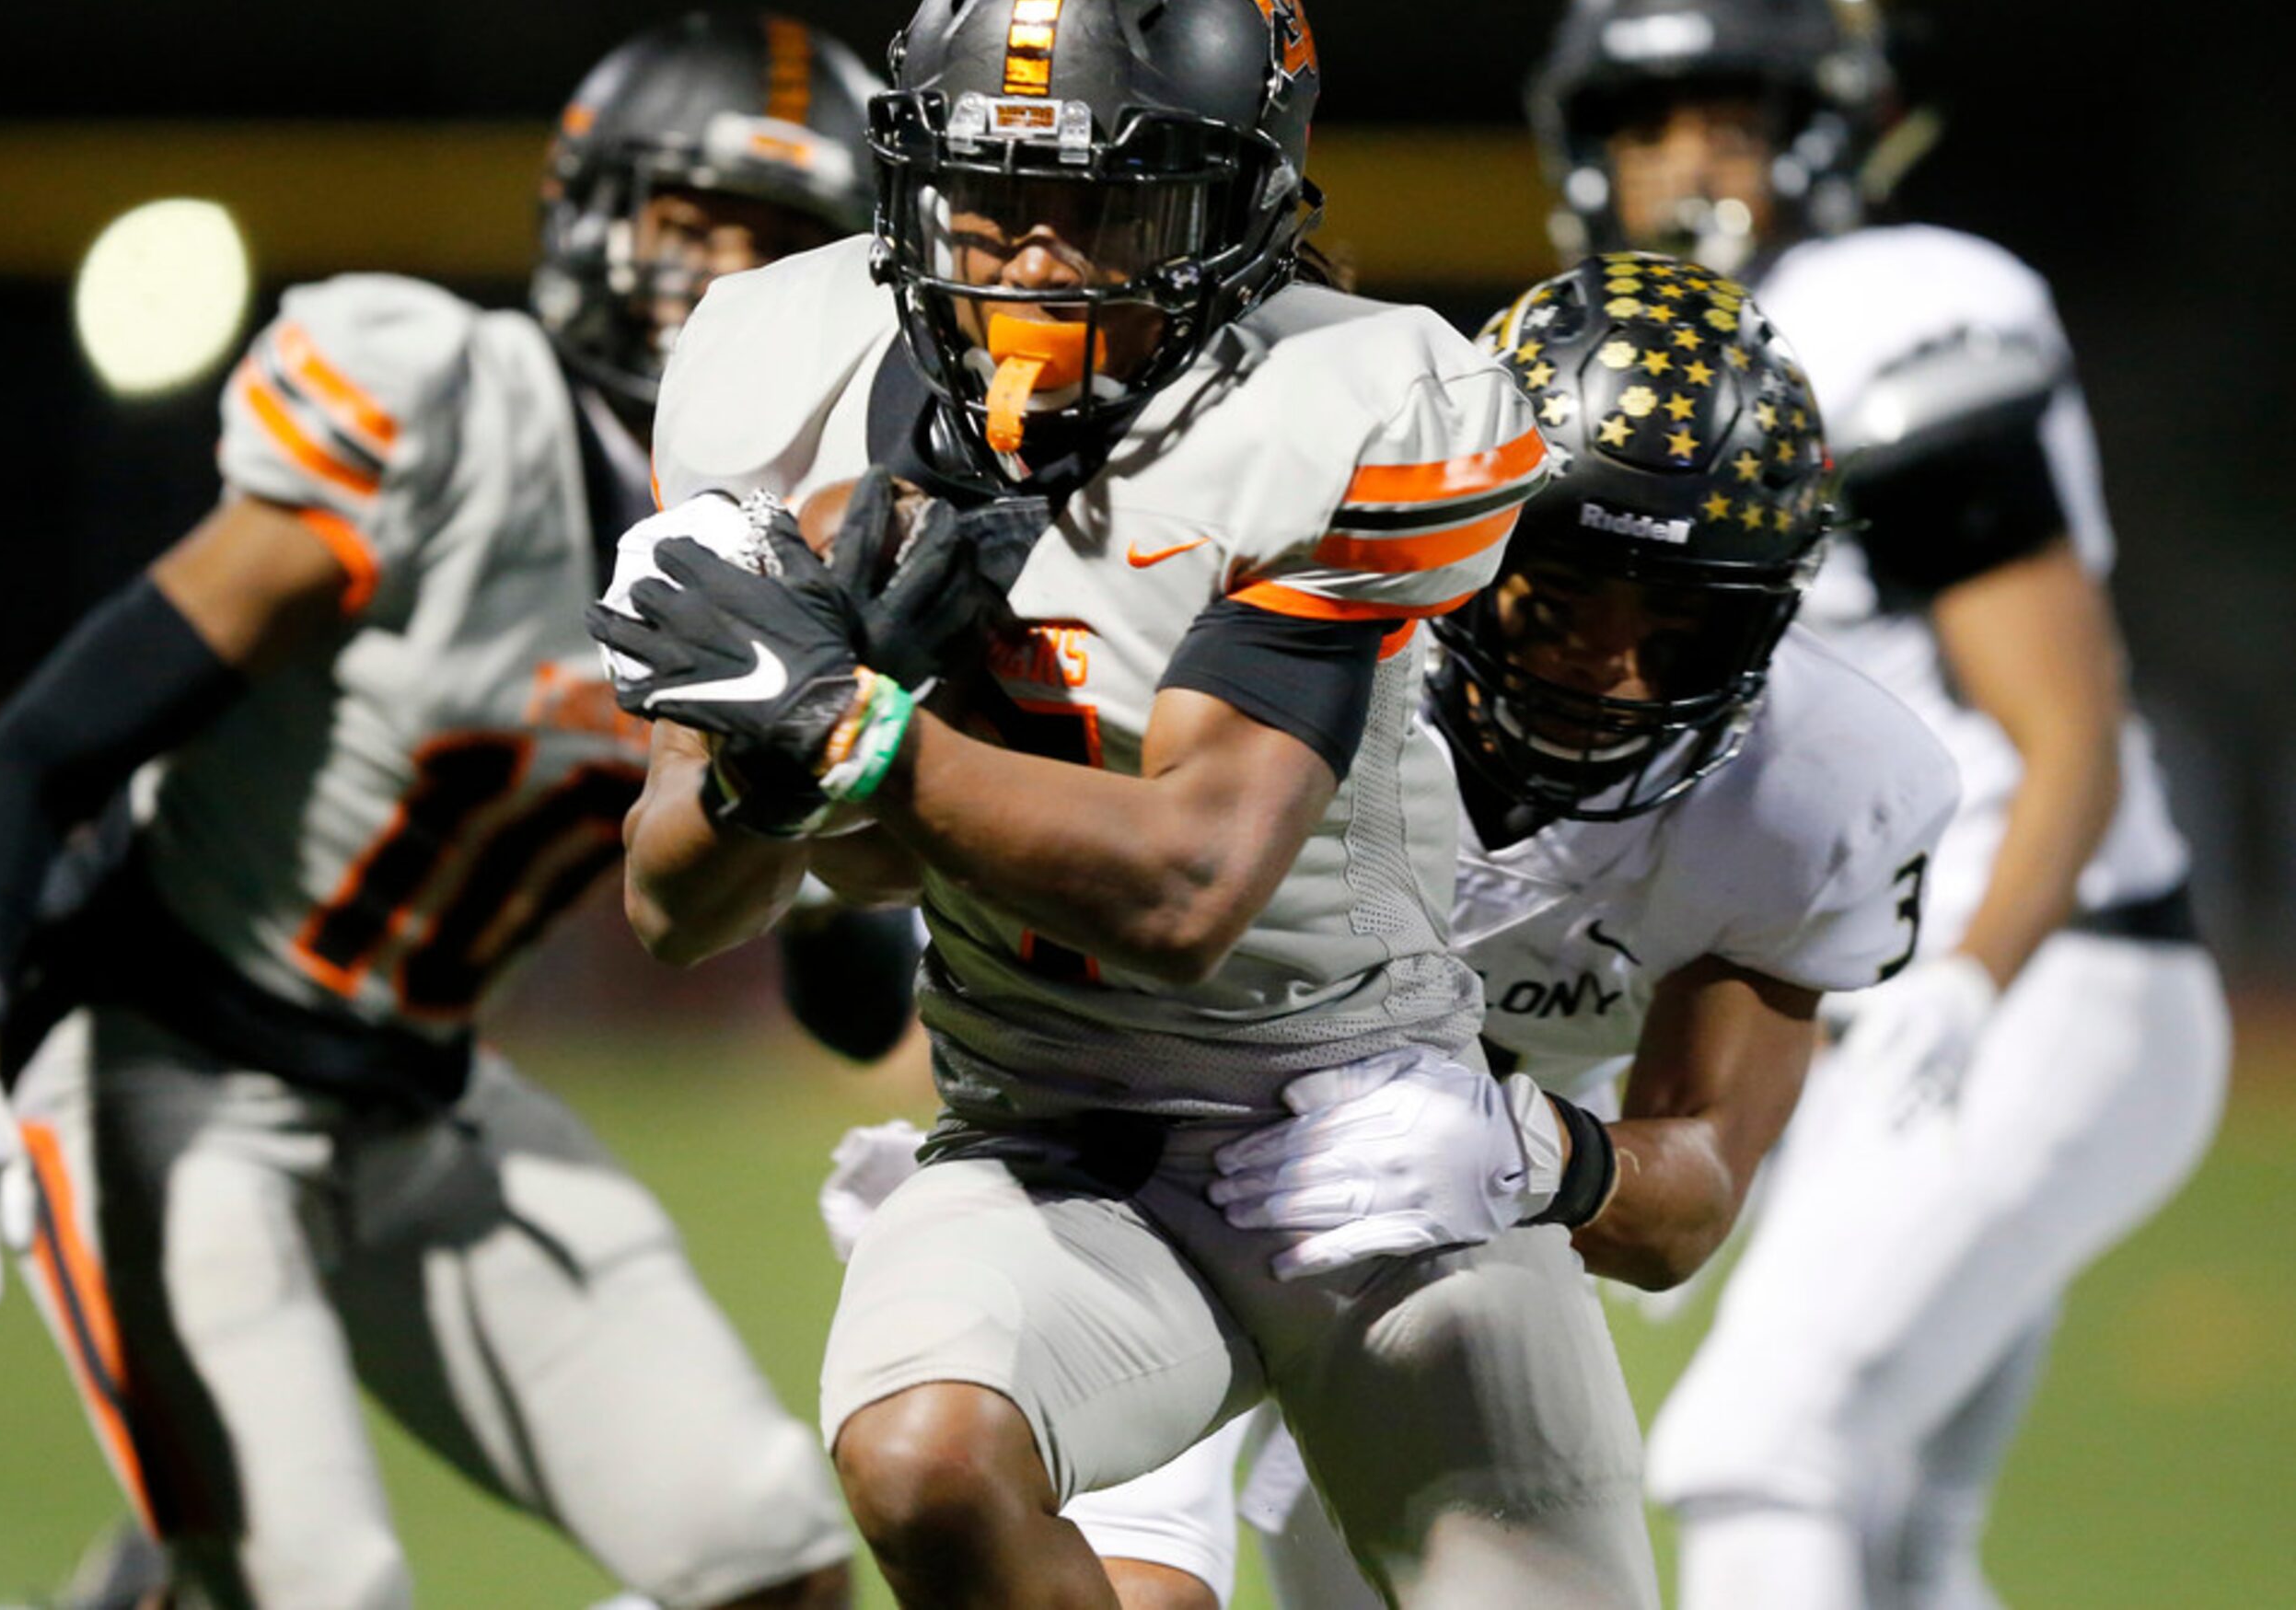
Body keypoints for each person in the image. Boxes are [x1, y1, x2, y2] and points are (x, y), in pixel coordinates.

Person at [587, 0, 1657, 1604]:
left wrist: (849, 733)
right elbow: (676, 899)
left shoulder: (1357, 398)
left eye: (1099, 212)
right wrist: (762, 762)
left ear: (1237, 220)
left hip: (1360, 1142)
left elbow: (1189, 882)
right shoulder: (775, 374)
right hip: (1052, 1136)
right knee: (926, 1454)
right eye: (990, 201)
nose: (1026, 262)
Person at [0, 13, 881, 1610]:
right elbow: (43, 750)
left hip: (423, 1100)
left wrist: (838, 771)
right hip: (169, 1071)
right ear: (592, 215)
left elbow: (843, 993)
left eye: (786, 253)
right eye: (697, 227)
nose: (727, 290)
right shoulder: (444, 414)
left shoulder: (819, 547)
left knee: (772, 1557)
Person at [820, 251, 1964, 1610]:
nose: (1608, 667)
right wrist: (986, 1125)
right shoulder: (1289, 626)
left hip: (1447, 1217)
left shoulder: (1818, 784)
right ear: (1468, 528)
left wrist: (1537, 1150)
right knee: (1124, 1575)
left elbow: (1691, 1198)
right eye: (1564, 593)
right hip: (1139, 1150)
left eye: (1680, 624)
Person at [1527, 0, 2233, 1608]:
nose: (1686, 160)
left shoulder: (1893, 312)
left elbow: (2067, 728)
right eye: (1644, 119)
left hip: (2051, 972)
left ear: (1826, 130)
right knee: (1896, 1529)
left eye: (1733, 116)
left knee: (1757, 1446)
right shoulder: (1648, 361)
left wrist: (1971, 984)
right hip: (1874, 991)